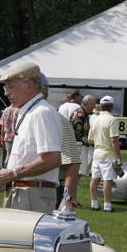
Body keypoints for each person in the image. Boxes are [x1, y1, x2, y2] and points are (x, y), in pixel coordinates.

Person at [0, 61, 61, 213]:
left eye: (10, 86)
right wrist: (5, 177)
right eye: (5, 87)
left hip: (32, 196)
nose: (6, 92)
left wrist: (12, 174)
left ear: (29, 86)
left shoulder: (41, 112)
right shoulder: (28, 112)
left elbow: (52, 158)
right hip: (26, 193)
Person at [40, 75, 81, 210]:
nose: (7, 92)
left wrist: (66, 198)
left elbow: (73, 160)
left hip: (50, 190)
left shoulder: (55, 118)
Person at [88, 95, 122, 212]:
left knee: (94, 179)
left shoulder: (95, 119)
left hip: (97, 153)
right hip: (108, 154)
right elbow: (114, 140)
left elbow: (90, 140)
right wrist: (118, 157)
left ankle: (94, 204)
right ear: (111, 107)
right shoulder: (112, 120)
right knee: (107, 180)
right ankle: (107, 206)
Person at [71, 95, 97, 176]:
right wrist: (88, 141)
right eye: (94, 105)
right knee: (79, 171)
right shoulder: (80, 114)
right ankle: (72, 187)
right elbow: (76, 132)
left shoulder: (81, 112)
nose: (94, 107)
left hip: (80, 146)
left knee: (80, 171)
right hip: (79, 146)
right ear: (89, 103)